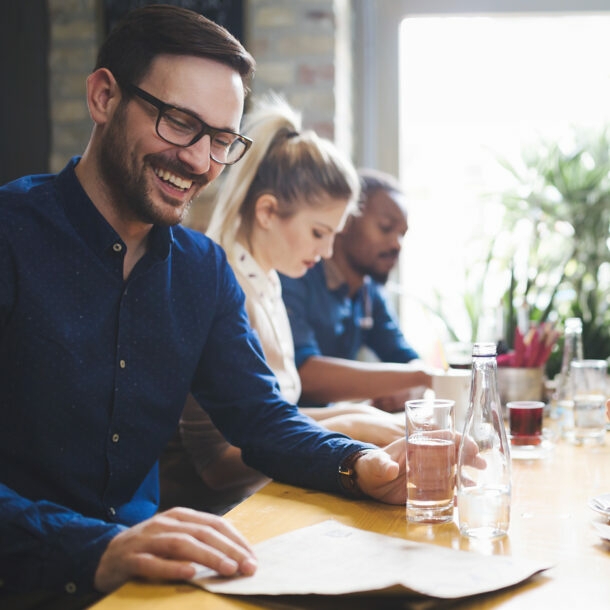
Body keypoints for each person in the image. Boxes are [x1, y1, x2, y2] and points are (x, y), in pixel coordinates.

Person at [0, 6, 409, 608]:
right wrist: (95, 548)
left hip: (149, 585)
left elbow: (262, 421)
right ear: (103, 97)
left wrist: (361, 464)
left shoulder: (202, 270)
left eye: (221, 140)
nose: (198, 161)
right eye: (178, 122)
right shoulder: (10, 237)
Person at [159, 95, 407, 515]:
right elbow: (217, 466)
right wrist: (348, 426)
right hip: (213, 513)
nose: (328, 251)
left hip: (267, 493)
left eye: (334, 234)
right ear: (269, 212)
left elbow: (274, 419)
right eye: (317, 232)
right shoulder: (226, 285)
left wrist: (355, 417)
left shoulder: (268, 280)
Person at [280, 168, 432, 412]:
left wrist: (410, 389)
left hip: (327, 426)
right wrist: (419, 378)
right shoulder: (296, 274)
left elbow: (406, 358)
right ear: (345, 221)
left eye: (402, 235)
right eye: (385, 227)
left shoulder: (368, 293)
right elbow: (302, 374)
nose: (396, 244)